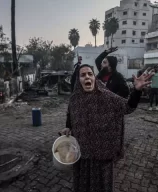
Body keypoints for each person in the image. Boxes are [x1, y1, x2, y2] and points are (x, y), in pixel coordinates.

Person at [59, 64, 150, 192]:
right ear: (78, 80)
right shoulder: (74, 99)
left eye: (90, 74)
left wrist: (137, 91)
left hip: (103, 154)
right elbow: (70, 114)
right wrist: (68, 127)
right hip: (82, 153)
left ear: (95, 78)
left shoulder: (106, 96)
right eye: (83, 75)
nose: (87, 77)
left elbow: (128, 107)